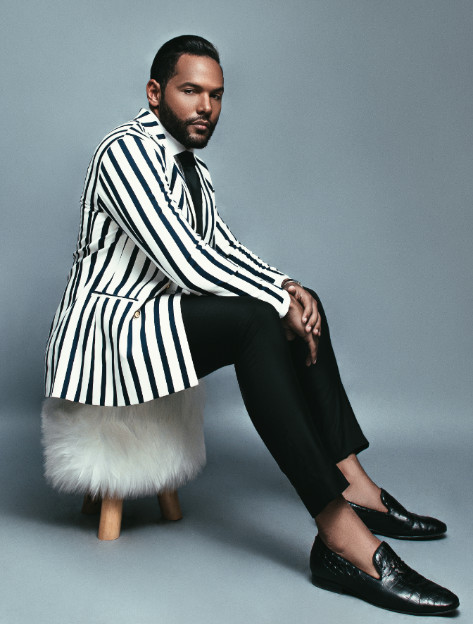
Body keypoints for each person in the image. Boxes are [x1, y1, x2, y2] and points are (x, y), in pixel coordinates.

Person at [44, 35, 459, 615]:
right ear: (155, 93)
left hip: (155, 323)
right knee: (257, 322)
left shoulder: (194, 170)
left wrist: (288, 286)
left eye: (216, 95)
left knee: (300, 306)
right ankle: (340, 537)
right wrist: (274, 301)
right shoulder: (126, 153)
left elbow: (222, 248)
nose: (205, 107)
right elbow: (185, 262)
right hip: (111, 336)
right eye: (191, 91)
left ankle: (356, 487)